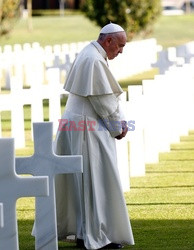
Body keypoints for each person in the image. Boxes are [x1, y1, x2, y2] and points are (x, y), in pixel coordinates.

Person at [54, 23, 134, 249]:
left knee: (83, 184)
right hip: (87, 131)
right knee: (95, 182)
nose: (120, 51)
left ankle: (84, 231)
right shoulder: (94, 60)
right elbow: (104, 102)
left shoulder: (90, 54)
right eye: (119, 46)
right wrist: (118, 128)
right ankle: (96, 235)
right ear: (108, 41)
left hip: (79, 125)